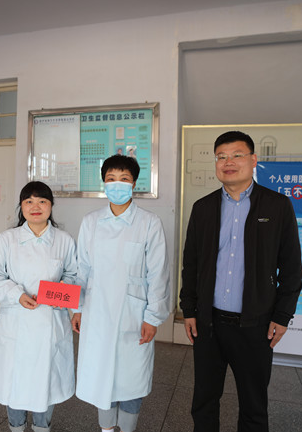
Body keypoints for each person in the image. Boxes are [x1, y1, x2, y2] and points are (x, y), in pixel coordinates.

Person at [179, 130, 302, 432]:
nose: (228, 162)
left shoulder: (277, 206)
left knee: (254, 405)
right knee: (204, 400)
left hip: (255, 325)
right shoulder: (203, 208)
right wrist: (189, 309)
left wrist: (282, 315)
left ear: (253, 160)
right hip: (209, 324)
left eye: (236, 155)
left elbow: (291, 268)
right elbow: (191, 264)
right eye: (221, 157)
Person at [71, 154, 170, 432]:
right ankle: (105, 429)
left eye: (124, 179)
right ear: (103, 183)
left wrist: (152, 317)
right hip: (97, 311)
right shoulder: (91, 221)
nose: (117, 184)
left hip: (133, 315)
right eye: (111, 179)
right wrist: (77, 308)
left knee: (131, 380)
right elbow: (82, 268)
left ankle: (127, 428)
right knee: (101, 377)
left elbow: (158, 273)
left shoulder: (149, 222)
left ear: (134, 183)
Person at [0, 181, 76, 432]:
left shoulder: (64, 240)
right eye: (29, 201)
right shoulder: (7, 239)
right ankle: (16, 427)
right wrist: (17, 295)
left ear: (51, 206)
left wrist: (57, 292)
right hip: (17, 323)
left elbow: (74, 275)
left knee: (47, 382)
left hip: (50, 324)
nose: (36, 207)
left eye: (42, 201)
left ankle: (42, 427)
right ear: (21, 206)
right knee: (15, 382)